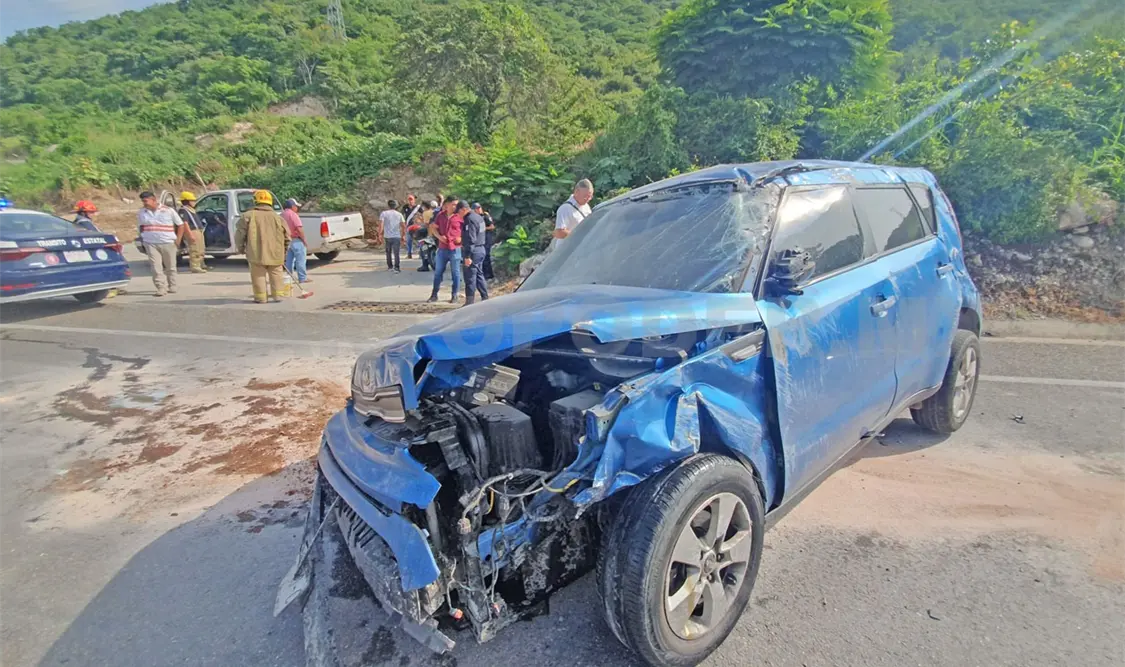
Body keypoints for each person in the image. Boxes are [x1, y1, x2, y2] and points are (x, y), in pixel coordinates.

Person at [235, 190, 290, 304]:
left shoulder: (248, 215)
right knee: (276, 273)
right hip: (276, 253)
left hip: (256, 252)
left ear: (255, 201)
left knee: (258, 275)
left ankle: (260, 297)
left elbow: (240, 234)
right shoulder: (278, 217)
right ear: (270, 202)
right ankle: (278, 296)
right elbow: (287, 236)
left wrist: (240, 248)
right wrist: (284, 251)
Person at [137, 191, 186, 297]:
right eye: (143, 201)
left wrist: (178, 240)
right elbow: (141, 226)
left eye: (146, 201)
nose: (144, 203)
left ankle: (172, 285)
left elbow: (181, 225)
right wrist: (143, 239)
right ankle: (160, 287)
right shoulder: (142, 212)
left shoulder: (168, 210)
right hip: (150, 243)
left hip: (168, 242)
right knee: (155, 267)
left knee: (170, 266)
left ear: (154, 200)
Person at [427, 197, 462, 303]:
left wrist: (461, 238)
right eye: (453, 204)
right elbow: (433, 228)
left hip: (455, 248)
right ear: (447, 205)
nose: (455, 206)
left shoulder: (460, 216)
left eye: (457, 204)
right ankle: (434, 295)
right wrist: (439, 237)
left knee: (455, 273)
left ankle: (455, 295)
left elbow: (466, 231)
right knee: (438, 272)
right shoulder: (440, 216)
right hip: (442, 249)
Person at [552, 179, 594, 249]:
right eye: (585, 196)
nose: (588, 199)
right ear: (576, 192)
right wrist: (578, 235)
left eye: (590, 196)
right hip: (566, 250)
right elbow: (559, 232)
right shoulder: (565, 208)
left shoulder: (586, 207)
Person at [462, 202, 489, 305]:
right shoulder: (479, 217)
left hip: (474, 251)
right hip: (481, 248)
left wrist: (467, 256)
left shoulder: (470, 219)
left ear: (463, 210)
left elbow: (471, 239)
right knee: (479, 275)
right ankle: (485, 297)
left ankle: (469, 303)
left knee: (470, 277)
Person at [177, 191, 209, 274]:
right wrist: (190, 234)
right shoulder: (183, 210)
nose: (194, 202)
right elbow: (185, 223)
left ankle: (201, 263)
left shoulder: (191, 210)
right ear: (186, 201)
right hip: (192, 231)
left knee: (201, 248)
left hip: (198, 231)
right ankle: (195, 266)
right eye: (192, 200)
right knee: (195, 249)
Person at [282, 198, 310, 283]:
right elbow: (299, 228)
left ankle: (289, 277)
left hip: (287, 240)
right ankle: (302, 278)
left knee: (289, 260)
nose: (297, 208)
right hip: (296, 240)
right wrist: (304, 240)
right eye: (296, 206)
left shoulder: (281, 215)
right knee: (300, 259)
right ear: (292, 206)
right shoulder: (293, 215)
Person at [380, 199, 406, 273]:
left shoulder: (384, 213)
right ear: (396, 206)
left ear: (388, 205)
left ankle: (390, 267)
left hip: (387, 236)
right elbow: (404, 226)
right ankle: (397, 267)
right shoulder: (399, 214)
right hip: (396, 236)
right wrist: (403, 235)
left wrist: (380, 235)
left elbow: (381, 225)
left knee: (388, 252)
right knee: (396, 252)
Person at [473, 203, 496, 280]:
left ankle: (489, 274)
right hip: (480, 239)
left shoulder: (485, 215)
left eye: (479, 208)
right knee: (481, 257)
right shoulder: (474, 217)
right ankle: (483, 274)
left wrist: (482, 228)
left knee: (486, 256)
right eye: (477, 208)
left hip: (487, 238)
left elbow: (492, 226)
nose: (479, 209)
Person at [401, 194, 422, 259]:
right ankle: (409, 254)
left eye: (411, 199)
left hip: (416, 226)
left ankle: (421, 254)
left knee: (419, 240)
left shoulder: (418, 207)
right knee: (409, 241)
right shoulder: (405, 207)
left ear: (414, 200)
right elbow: (402, 215)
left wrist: (420, 219)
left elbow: (423, 213)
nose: (410, 201)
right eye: (409, 199)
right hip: (408, 226)